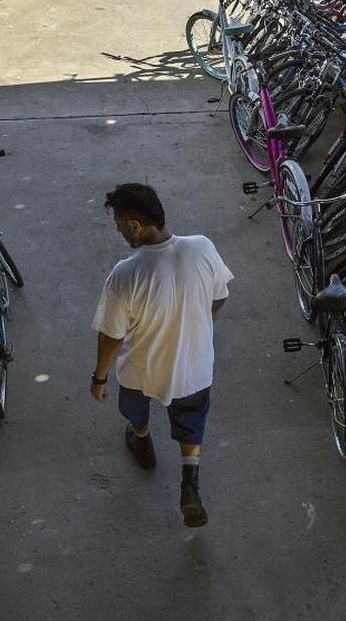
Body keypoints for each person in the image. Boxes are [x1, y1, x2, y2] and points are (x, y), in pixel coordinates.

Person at [90, 183, 233, 528]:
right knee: (191, 419)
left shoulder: (124, 274)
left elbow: (111, 337)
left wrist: (99, 377)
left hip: (142, 373)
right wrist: (201, 318)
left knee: (135, 409)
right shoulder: (202, 248)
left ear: (135, 226)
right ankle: (190, 483)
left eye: (120, 224)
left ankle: (142, 442)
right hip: (194, 370)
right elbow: (220, 296)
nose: (120, 230)